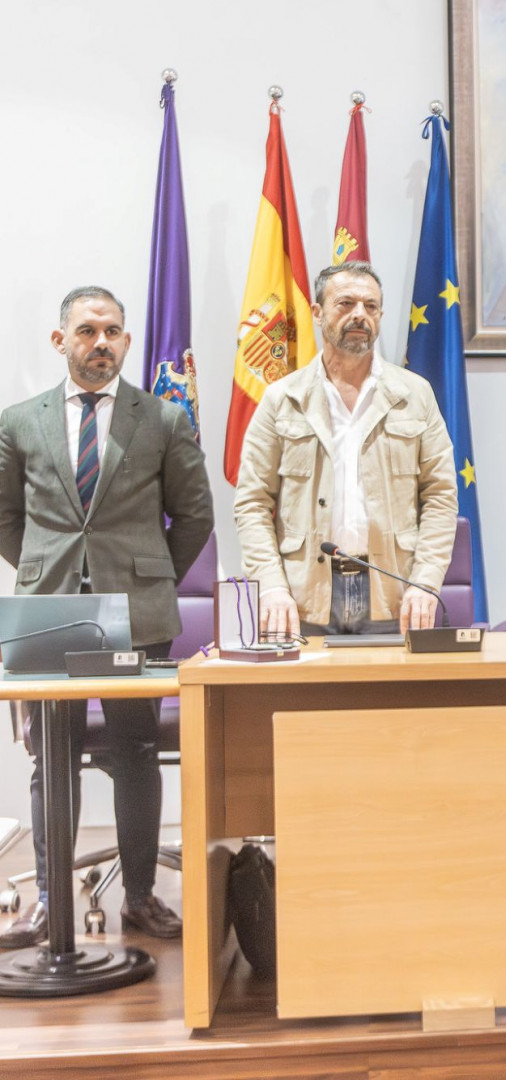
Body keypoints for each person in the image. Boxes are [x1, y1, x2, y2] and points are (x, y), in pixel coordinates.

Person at [0, 286, 214, 945]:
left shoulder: (163, 419)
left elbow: (196, 514)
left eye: (114, 331)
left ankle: (142, 897)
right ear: (60, 341)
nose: (102, 342)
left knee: (137, 751)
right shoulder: (19, 422)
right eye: (88, 330)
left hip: (138, 613)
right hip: (51, 611)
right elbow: (7, 517)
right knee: (51, 757)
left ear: (126, 341)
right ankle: (49, 904)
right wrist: (42, 571)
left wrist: (151, 579)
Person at [234, 262, 458, 638]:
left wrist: (426, 581)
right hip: (303, 596)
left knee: (389, 696)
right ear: (318, 313)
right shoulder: (282, 398)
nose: (360, 315)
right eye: (346, 304)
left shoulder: (415, 395)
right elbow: (252, 502)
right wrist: (271, 585)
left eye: (371, 307)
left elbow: (441, 496)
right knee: (304, 700)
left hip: (393, 591)